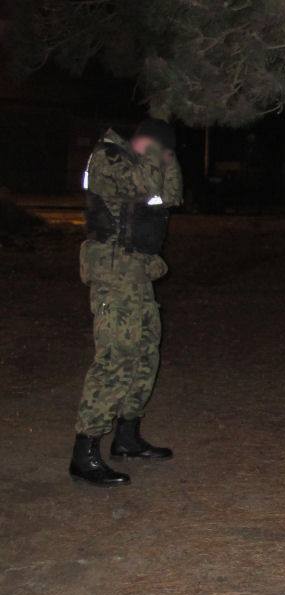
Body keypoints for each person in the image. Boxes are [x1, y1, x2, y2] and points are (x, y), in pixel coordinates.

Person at [69, 118, 182, 487]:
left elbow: (171, 195)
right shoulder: (109, 157)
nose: (163, 158)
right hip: (113, 275)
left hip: (138, 275)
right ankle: (84, 451)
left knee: (145, 352)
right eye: (159, 150)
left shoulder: (143, 162)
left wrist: (167, 158)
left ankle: (127, 436)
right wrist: (155, 154)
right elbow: (146, 184)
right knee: (115, 356)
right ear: (143, 143)